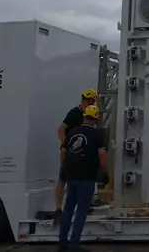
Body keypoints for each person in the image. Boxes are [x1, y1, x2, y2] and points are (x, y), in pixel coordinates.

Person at [58, 104, 108, 251]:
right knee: (81, 210)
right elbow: (102, 154)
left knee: (68, 208)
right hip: (87, 176)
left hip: (71, 175)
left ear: (84, 117)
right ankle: (74, 244)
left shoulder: (72, 132)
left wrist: (64, 169)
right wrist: (104, 172)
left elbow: (63, 152)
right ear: (96, 119)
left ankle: (62, 242)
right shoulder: (97, 135)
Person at [55, 89, 98, 217]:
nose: (94, 103)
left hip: (83, 152)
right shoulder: (75, 113)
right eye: (93, 101)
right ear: (88, 100)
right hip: (71, 151)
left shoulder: (88, 113)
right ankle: (58, 208)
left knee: (81, 177)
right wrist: (65, 144)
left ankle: (83, 204)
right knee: (63, 176)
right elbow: (61, 129)